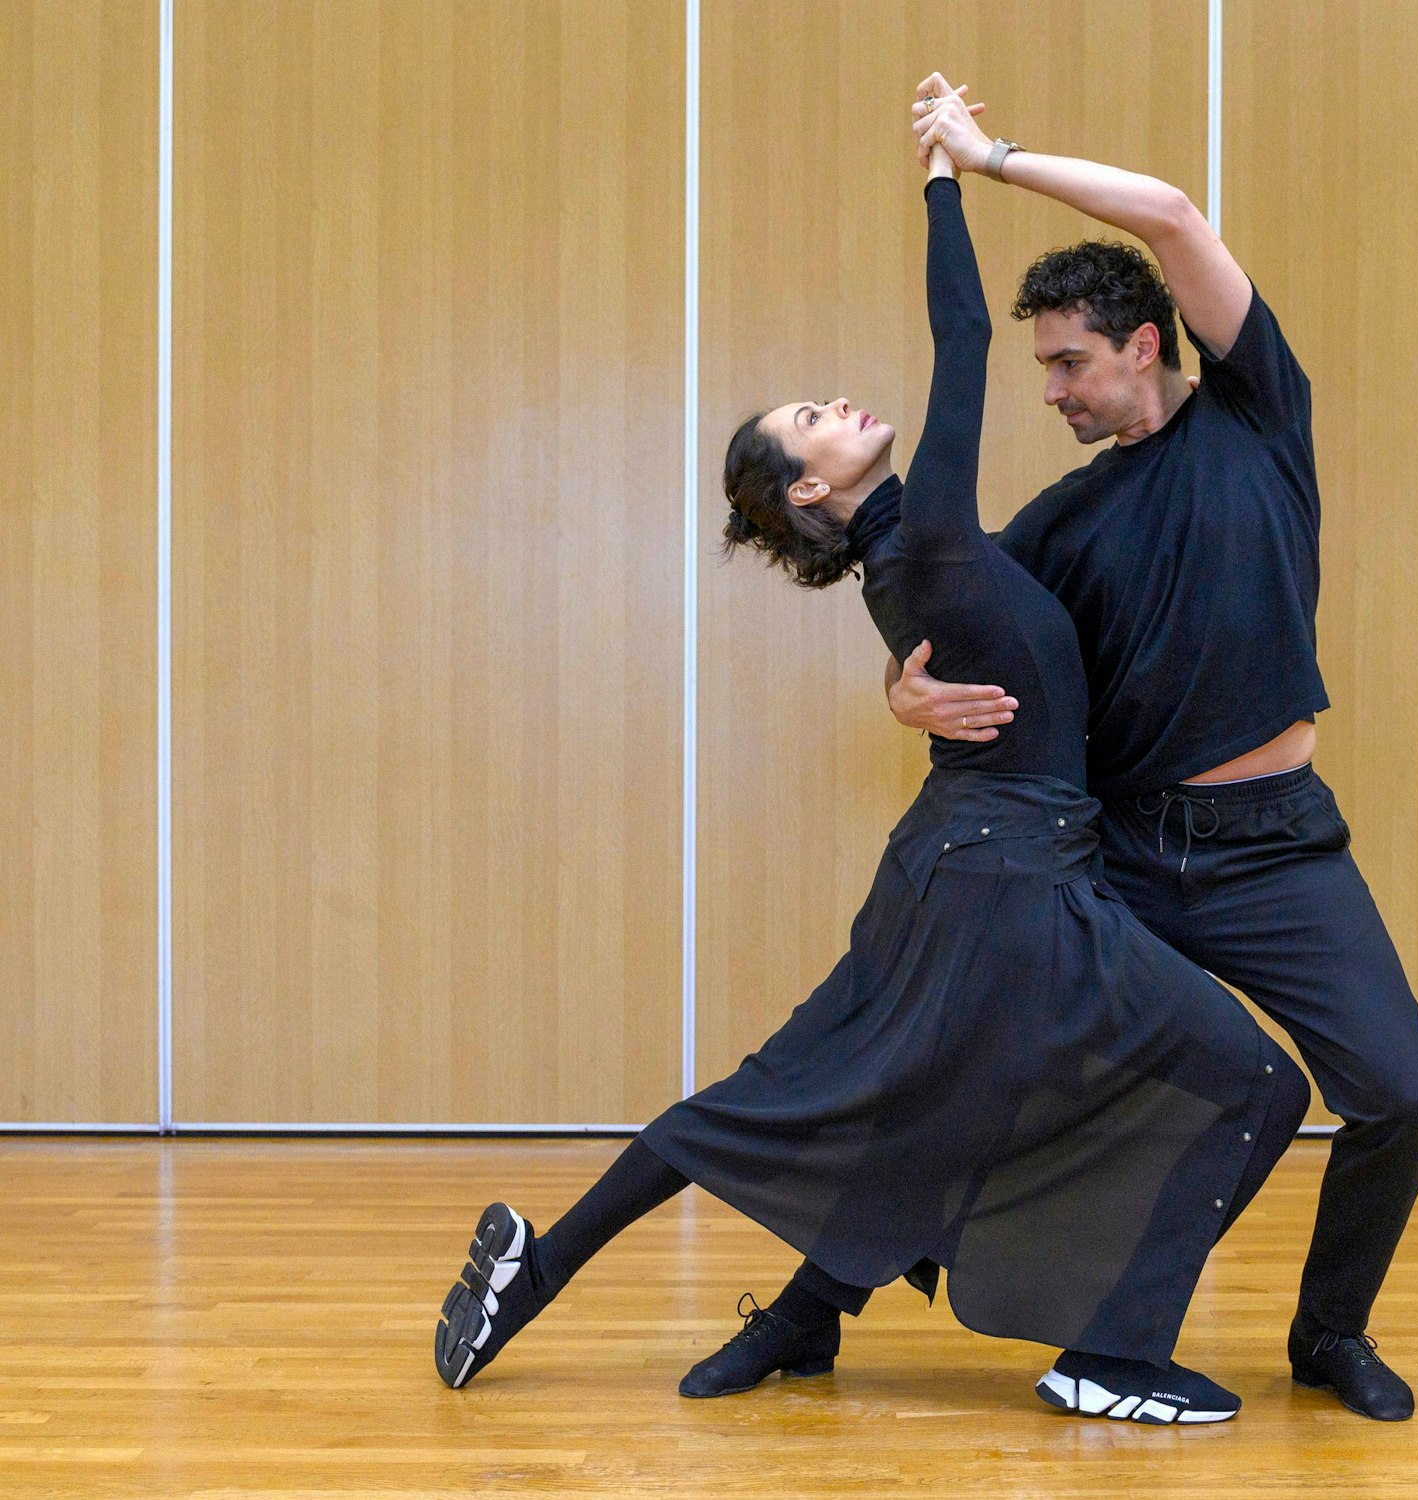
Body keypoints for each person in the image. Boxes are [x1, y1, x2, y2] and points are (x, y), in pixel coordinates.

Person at [432, 99, 1309, 1427]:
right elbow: (963, 338)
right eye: (809, 420)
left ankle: (565, 1277)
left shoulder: (921, 566)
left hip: (969, 870)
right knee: (1246, 1081)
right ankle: (1113, 1355)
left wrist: (905, 698)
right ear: (808, 492)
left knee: (824, 1094)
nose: (837, 405)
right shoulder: (934, 543)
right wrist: (945, 182)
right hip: (1010, 889)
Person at [839, 74, 1418, 1423]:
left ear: (1146, 344)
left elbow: (1170, 212)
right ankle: (823, 1311)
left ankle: (1329, 1335)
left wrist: (983, 161)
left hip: (1277, 849)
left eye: (1068, 363)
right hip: (1118, 857)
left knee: (1395, 1093)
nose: (1049, 390)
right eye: (1040, 364)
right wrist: (900, 688)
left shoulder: (1256, 418)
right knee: (988, 1072)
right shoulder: (1056, 522)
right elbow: (948, 610)